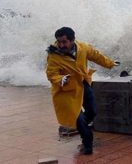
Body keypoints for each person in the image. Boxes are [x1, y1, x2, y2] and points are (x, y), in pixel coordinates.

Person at [46, 27, 119, 155]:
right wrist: (60, 79)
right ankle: (87, 143)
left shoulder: (83, 47)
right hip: (65, 90)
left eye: (64, 42)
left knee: (92, 111)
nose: (61, 45)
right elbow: (51, 74)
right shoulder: (53, 55)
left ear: (72, 40)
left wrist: (110, 63)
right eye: (59, 42)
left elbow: (96, 56)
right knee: (78, 118)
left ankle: (80, 126)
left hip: (82, 83)